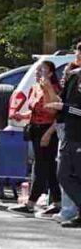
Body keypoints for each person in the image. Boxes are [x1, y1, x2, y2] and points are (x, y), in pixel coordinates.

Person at [7, 60, 63, 217]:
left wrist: (48, 133)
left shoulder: (54, 89)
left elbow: (55, 113)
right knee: (50, 168)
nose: (38, 73)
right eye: (37, 70)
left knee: (41, 168)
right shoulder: (34, 88)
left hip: (48, 130)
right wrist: (21, 116)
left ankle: (30, 203)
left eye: (42, 70)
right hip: (35, 129)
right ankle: (57, 203)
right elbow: (34, 111)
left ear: (51, 73)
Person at [49, 55, 81, 228]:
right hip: (69, 134)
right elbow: (64, 103)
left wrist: (64, 108)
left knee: (69, 174)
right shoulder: (74, 76)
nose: (77, 58)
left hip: (78, 137)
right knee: (64, 174)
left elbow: (78, 110)